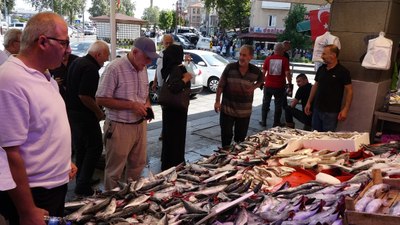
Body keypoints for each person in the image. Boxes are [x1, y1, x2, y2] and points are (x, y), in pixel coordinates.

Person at [0, 12, 75, 225]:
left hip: (53, 186)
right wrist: (27, 210)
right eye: (64, 42)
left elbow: (42, 129)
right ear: (42, 42)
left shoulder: (45, 76)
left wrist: (63, 161)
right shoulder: (11, 80)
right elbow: (7, 153)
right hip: (33, 193)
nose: (68, 49)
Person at [96, 37, 159, 191]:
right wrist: (131, 105)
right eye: (146, 57)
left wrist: (147, 107)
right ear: (135, 52)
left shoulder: (142, 67)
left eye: (151, 58)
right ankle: (112, 204)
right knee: (115, 171)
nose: (149, 62)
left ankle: (130, 200)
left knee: (137, 167)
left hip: (139, 125)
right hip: (119, 127)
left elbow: (144, 95)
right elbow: (101, 99)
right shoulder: (114, 68)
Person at [66, 40, 109, 196]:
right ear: (97, 54)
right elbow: (84, 95)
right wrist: (98, 112)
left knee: (81, 148)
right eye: (105, 57)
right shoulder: (90, 68)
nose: (105, 61)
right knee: (95, 147)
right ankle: (83, 184)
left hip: (73, 113)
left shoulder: (77, 62)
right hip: (84, 114)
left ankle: (82, 179)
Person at [214, 45, 263, 149]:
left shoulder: (255, 71)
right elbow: (220, 85)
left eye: (244, 55)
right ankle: (225, 158)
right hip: (227, 109)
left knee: (240, 141)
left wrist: (254, 86)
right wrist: (217, 101)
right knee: (226, 138)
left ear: (251, 57)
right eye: (240, 54)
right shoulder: (230, 67)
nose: (241, 57)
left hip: (244, 112)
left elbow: (262, 79)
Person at [305, 44, 353, 132]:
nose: (322, 56)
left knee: (327, 138)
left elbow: (349, 90)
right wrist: (309, 102)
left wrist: (346, 109)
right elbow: (315, 86)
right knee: (314, 135)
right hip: (317, 109)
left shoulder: (343, 72)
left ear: (333, 55)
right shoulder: (321, 69)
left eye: (324, 54)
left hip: (331, 112)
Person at [160, 44, 192, 170]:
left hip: (169, 108)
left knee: (168, 137)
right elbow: (174, 87)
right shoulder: (176, 69)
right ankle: (175, 164)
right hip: (177, 110)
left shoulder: (168, 67)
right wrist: (185, 79)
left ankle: (167, 162)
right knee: (176, 138)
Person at [260, 43, 292, 127]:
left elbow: (263, 73)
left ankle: (263, 121)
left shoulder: (268, 59)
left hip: (268, 85)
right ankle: (276, 122)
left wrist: (261, 82)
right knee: (278, 105)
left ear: (275, 50)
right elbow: (287, 73)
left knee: (265, 103)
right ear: (282, 50)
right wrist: (289, 83)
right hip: (279, 86)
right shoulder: (284, 60)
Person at [152, 34, 174, 141]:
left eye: (170, 43)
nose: (168, 45)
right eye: (166, 43)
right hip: (160, 85)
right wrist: (155, 81)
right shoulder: (161, 53)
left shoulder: (173, 55)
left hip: (168, 87)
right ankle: (165, 130)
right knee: (163, 110)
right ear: (163, 43)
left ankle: (165, 132)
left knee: (167, 110)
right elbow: (157, 68)